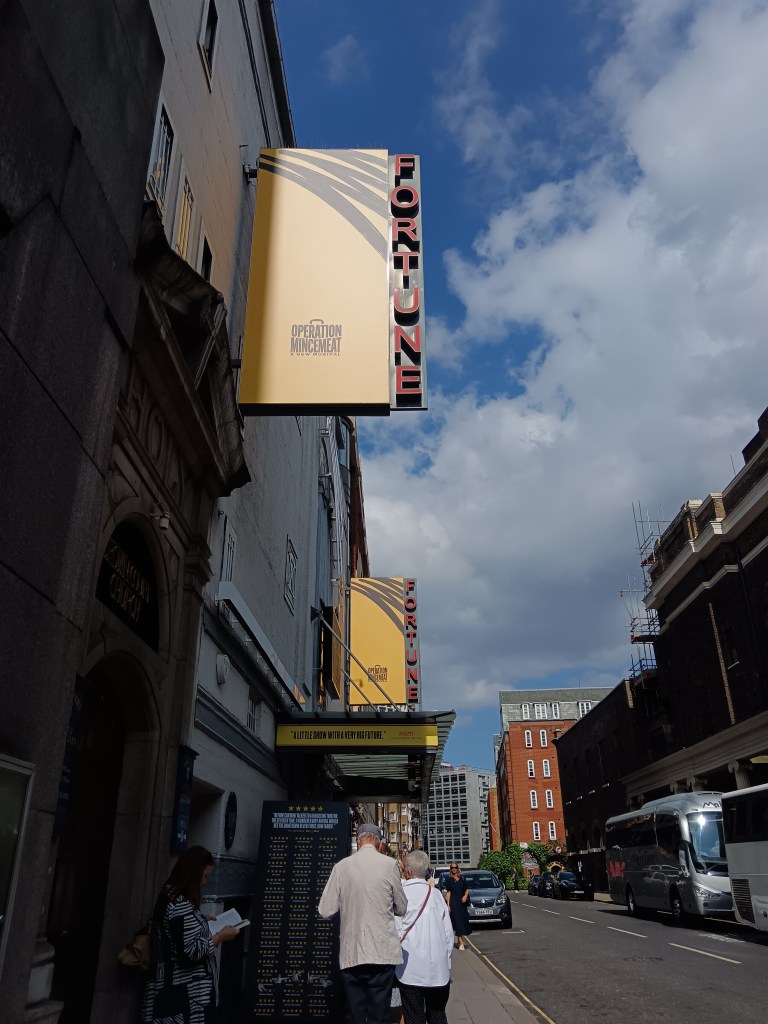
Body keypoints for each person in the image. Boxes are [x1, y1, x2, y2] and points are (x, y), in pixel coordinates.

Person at [318, 822, 407, 1024]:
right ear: (379, 844)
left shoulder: (341, 866)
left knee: (354, 1014)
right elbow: (401, 908)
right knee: (379, 1014)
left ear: (358, 842)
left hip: (352, 952)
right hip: (382, 952)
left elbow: (325, 910)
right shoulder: (389, 865)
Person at [142, 846, 239, 1024]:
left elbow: (176, 931)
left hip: (172, 989)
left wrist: (201, 920)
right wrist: (219, 937)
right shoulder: (180, 903)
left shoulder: (169, 894)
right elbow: (189, 953)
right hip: (185, 994)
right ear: (193, 874)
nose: (204, 882)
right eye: (204, 876)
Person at [396, 850, 454, 1024]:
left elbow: (396, 931)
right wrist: (446, 961)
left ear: (407, 871)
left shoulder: (400, 894)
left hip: (410, 971)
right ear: (426, 870)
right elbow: (448, 935)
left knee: (414, 1018)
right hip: (439, 972)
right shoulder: (436, 895)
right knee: (438, 1016)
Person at [443, 863, 471, 951]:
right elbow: (448, 893)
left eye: (455, 868)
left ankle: (460, 939)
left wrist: (465, 896)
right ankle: (461, 941)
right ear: (450, 869)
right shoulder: (449, 880)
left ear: (457, 869)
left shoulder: (462, 878)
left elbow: (467, 889)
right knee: (458, 921)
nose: (454, 869)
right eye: (452, 868)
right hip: (454, 902)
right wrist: (448, 905)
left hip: (462, 902)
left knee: (462, 920)